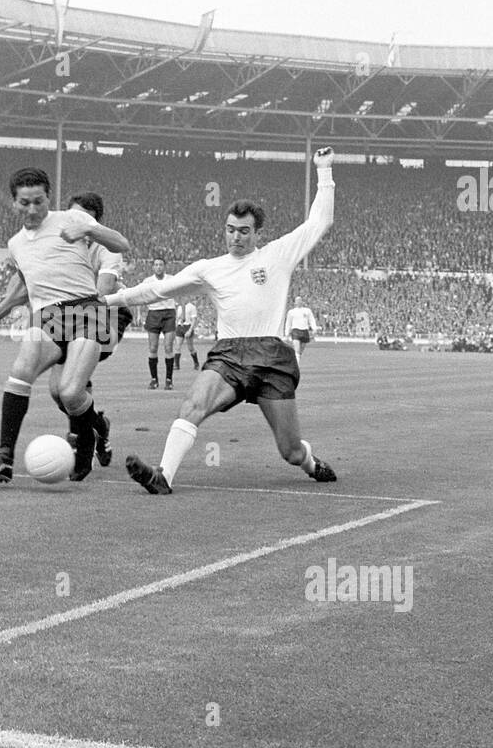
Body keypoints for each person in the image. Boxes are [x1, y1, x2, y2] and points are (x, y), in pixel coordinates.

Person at [102, 148, 339, 493]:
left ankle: (311, 463)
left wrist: (325, 169)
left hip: (272, 356)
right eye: (230, 230)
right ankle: (163, 476)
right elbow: (158, 290)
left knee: (289, 450)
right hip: (229, 355)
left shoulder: (278, 255)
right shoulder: (208, 269)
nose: (235, 237)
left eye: (244, 231)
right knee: (193, 404)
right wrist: (109, 299)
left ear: (258, 233)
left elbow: (321, 221)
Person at [0, 169, 131, 482]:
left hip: (86, 310)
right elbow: (22, 289)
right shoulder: (15, 244)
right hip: (47, 315)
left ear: (49, 197)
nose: (33, 210)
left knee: (70, 394)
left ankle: (86, 441)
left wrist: (90, 232)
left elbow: (121, 244)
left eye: (39, 202)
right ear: (14, 202)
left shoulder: (72, 219)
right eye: (25, 203)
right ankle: (4, 454)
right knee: (21, 370)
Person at [141, 258, 178, 389]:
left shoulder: (171, 279)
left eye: (161, 264)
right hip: (154, 313)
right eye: (156, 265)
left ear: (165, 266)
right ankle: (154, 379)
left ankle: (169, 380)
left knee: (168, 347)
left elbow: (181, 293)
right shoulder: (148, 281)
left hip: (169, 313)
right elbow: (141, 295)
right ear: (153, 267)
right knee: (152, 348)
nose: (158, 267)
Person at [283, 295, 318, 359]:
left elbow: (311, 320)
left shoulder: (307, 310)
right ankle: (296, 366)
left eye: (300, 300)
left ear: (302, 302)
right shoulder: (291, 312)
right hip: (295, 331)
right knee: (297, 350)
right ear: (295, 302)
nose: (299, 302)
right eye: (297, 300)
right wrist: (287, 333)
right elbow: (288, 323)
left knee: (300, 352)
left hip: (305, 331)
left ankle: (294, 359)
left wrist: (314, 328)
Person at [173, 299, 200, 371]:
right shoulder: (179, 307)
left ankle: (196, 363)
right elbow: (176, 318)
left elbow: (194, 320)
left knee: (190, 348)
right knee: (177, 346)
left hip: (187, 327)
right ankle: (176, 365)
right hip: (180, 327)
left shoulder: (191, 307)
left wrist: (190, 330)